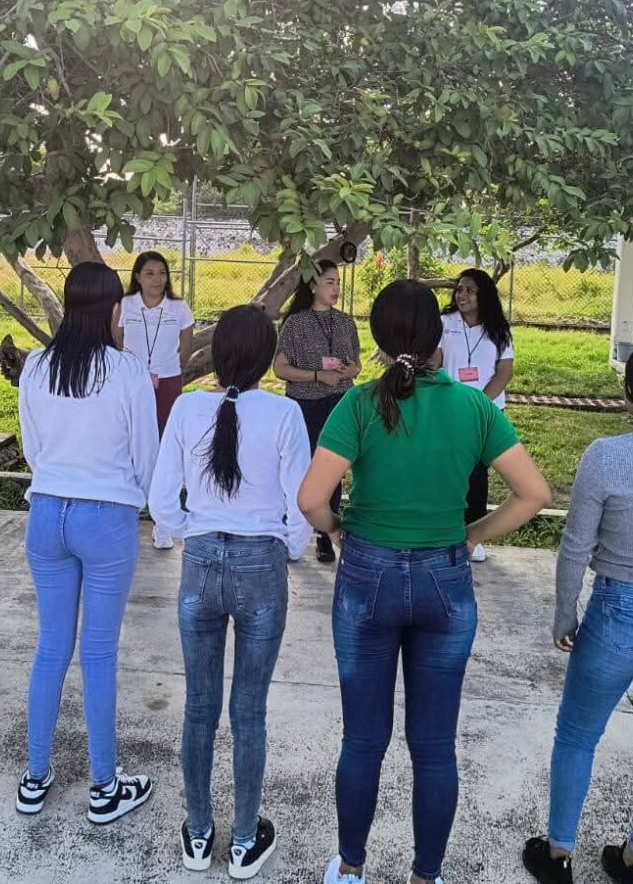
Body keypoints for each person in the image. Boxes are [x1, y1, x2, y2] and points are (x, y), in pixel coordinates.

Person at [297, 280, 551, 884]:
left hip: (367, 576)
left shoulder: (358, 404)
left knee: (363, 740)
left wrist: (337, 530)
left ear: (379, 339)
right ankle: (426, 875)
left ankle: (351, 867)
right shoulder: (473, 407)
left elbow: (310, 499)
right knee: (434, 747)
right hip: (445, 576)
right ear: (440, 338)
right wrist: (472, 534)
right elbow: (534, 493)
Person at [150, 304, 313, 879]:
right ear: (268, 357)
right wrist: (289, 549)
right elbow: (302, 504)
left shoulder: (187, 407)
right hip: (260, 564)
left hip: (199, 563)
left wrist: (186, 532)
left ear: (216, 354)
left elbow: (161, 499)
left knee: (199, 705)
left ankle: (198, 834)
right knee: (249, 710)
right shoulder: (285, 414)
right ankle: (244, 841)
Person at [16, 262, 160, 825]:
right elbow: (146, 455)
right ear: (115, 310)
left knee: (51, 646)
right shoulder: (127, 371)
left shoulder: (36, 365)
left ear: (67, 306)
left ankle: (34, 777)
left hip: (46, 512)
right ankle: (104, 786)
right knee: (98, 652)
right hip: (106, 518)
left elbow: (33, 449)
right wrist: (137, 500)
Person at [523, 342, 633, 884]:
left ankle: (558, 854)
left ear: (630, 393)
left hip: (619, 615)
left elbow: (574, 548)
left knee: (577, 736)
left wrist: (565, 614)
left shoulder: (607, 455)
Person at [274, 260, 362, 564]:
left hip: (339, 402)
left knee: (333, 469)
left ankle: (326, 534)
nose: (336, 288)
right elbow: (280, 368)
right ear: (313, 286)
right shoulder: (295, 324)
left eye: (338, 283)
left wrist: (350, 370)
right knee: (300, 468)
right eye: (329, 282)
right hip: (305, 403)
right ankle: (292, 531)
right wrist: (316, 375)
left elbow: (357, 364)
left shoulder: (345, 322)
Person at [115, 250, 195, 550]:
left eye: (162, 273)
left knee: (164, 445)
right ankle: (128, 512)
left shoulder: (178, 306)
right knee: (129, 442)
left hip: (168, 380)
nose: (156, 279)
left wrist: (174, 364)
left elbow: (186, 340)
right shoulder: (125, 305)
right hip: (133, 380)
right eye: (149, 273)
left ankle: (162, 522)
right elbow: (117, 339)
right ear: (137, 276)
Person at [439, 268, 515, 562]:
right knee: (447, 470)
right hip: (449, 408)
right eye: (459, 289)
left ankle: (473, 537)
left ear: (483, 295)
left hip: (484, 411)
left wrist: (479, 404)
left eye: (470, 290)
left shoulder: (499, 329)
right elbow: (435, 361)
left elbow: (504, 371)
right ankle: (445, 530)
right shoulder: (445, 323)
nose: (462, 295)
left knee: (477, 473)